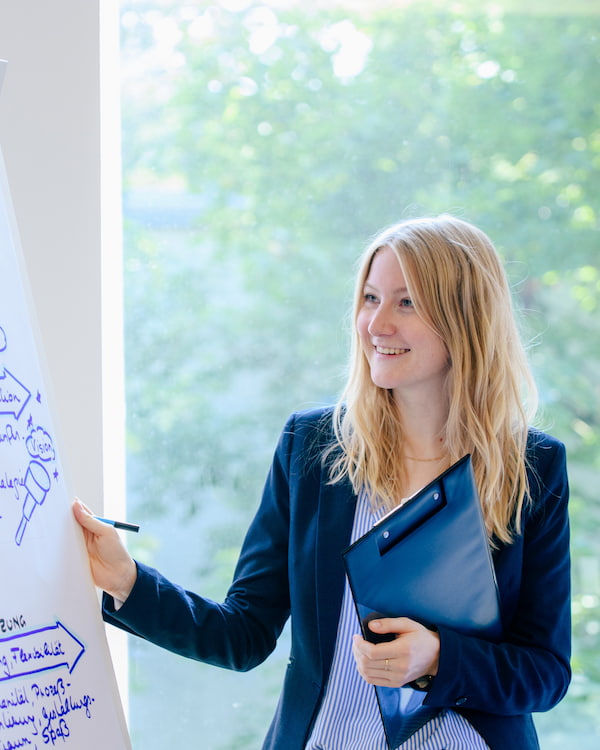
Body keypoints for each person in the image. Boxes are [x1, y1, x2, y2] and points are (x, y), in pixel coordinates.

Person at [74, 215, 571, 749]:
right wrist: (126, 580)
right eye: (370, 298)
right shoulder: (313, 447)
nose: (376, 324)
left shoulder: (532, 467)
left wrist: (437, 657)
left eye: (406, 303)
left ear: (465, 319)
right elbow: (242, 634)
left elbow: (545, 672)